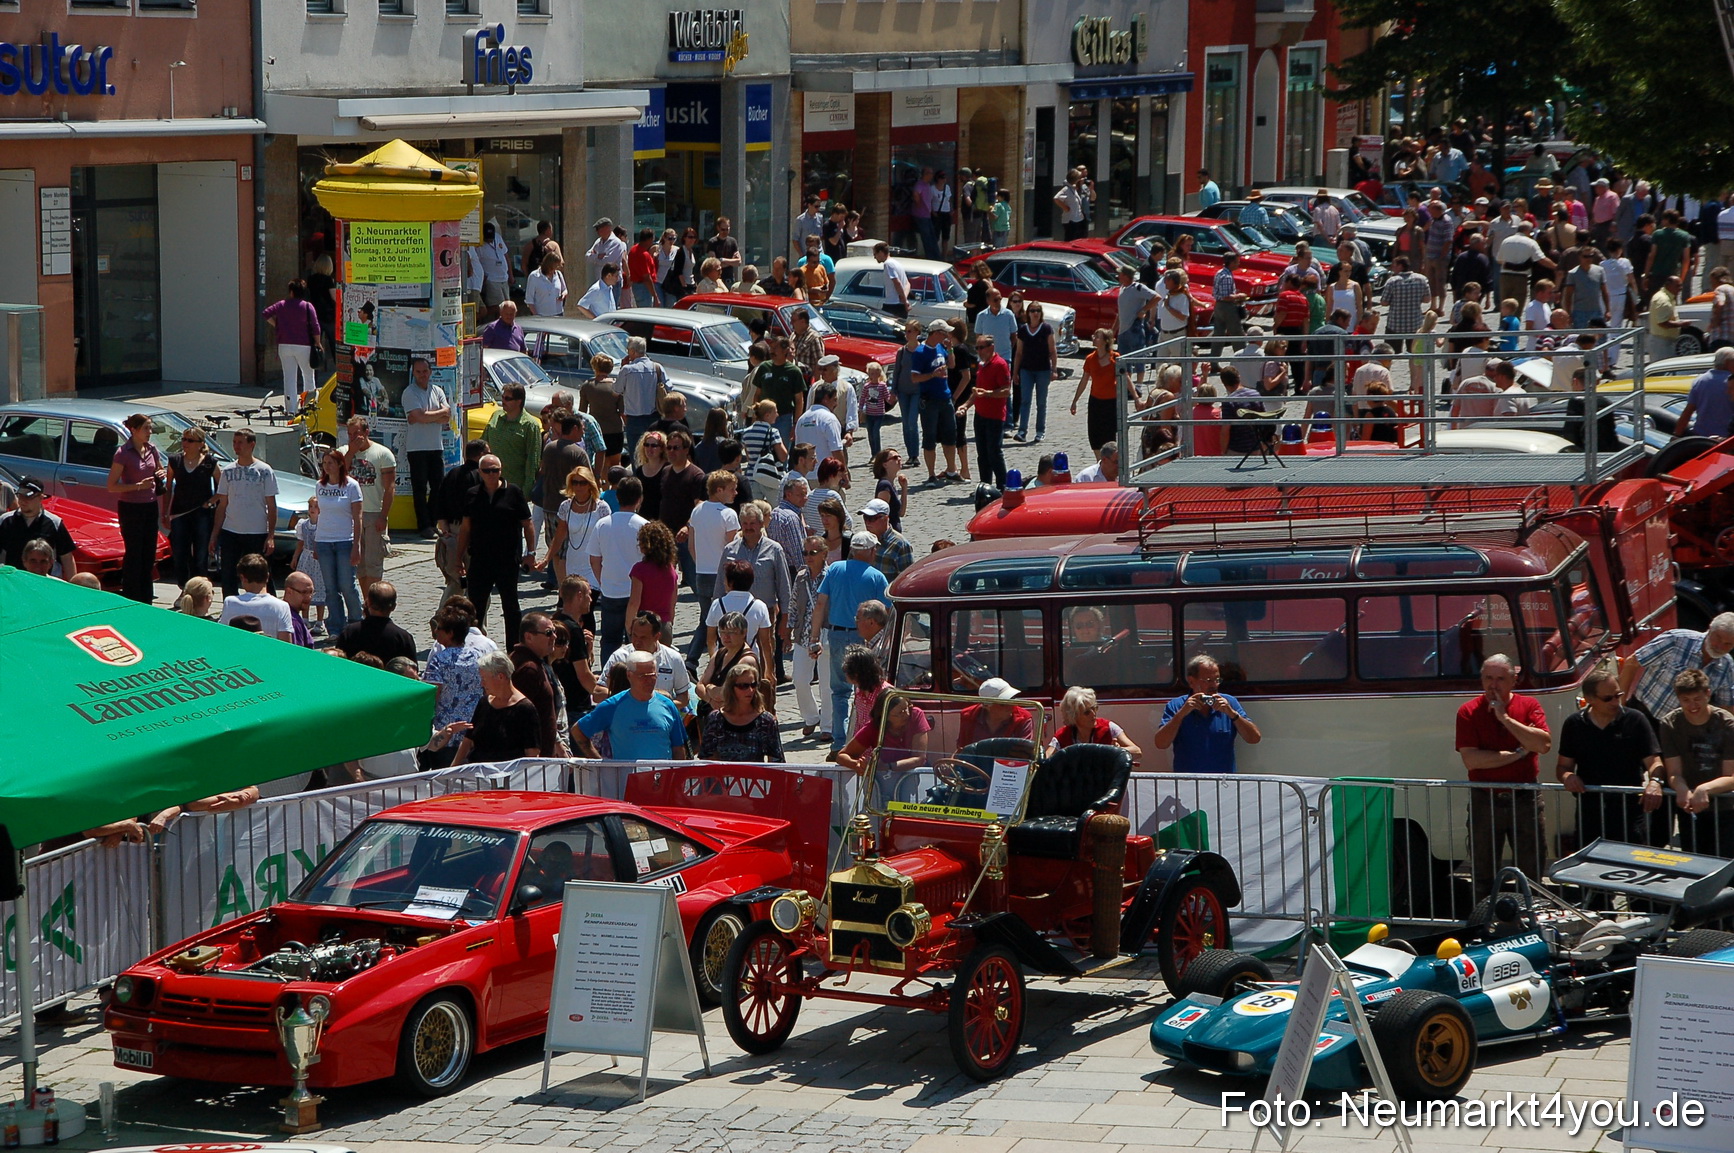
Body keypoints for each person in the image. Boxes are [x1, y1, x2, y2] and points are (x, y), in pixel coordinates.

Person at [1456, 654, 1553, 898]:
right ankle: (1484, 924)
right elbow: (1472, 760)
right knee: (1483, 873)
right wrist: (1519, 753)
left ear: (1513, 681)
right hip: (1484, 800)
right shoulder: (1468, 711)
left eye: (1500, 679)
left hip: (1525, 799)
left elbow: (1542, 745)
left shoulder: (1529, 706)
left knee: (1531, 873)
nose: (1493, 685)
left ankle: (1531, 925)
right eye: (1488, 678)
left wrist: (1505, 719)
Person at [1555, 666, 1665, 848]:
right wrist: (1568, 777)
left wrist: (1655, 782)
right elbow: (1563, 767)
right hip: (1589, 811)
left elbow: (1654, 761)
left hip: (1629, 810)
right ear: (1589, 699)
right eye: (1608, 698)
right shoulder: (1574, 724)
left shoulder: (1636, 720)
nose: (1615, 702)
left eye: (1618, 695)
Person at [809, 530, 892, 752]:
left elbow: (820, 604)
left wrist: (814, 637)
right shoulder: (876, 576)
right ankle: (860, 739)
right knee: (865, 690)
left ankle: (838, 743)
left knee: (839, 692)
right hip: (863, 637)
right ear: (870, 551)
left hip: (836, 635)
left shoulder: (835, 569)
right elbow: (887, 612)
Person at [456, 453, 536, 647]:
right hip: (480, 559)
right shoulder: (472, 494)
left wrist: (530, 553)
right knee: (475, 607)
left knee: (511, 606)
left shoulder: (513, 492)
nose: (492, 474)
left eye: (495, 470)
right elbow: (466, 527)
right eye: (487, 471)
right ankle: (472, 646)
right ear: (480, 472)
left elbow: (527, 524)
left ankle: (514, 648)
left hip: (507, 559)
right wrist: (458, 557)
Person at [1658, 668, 1734, 856]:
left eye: (1697, 699)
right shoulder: (1670, 724)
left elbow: (1731, 776)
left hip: (1725, 808)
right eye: (1686, 701)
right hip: (1689, 808)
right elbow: (1674, 771)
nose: (1692, 706)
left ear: (1708, 694)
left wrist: (1703, 789)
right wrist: (1682, 788)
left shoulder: (1727, 724)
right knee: (1693, 862)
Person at [573, 650, 690, 760]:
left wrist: (677, 777)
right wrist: (600, 764)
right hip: (625, 779)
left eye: (652, 675)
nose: (649, 681)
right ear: (629, 675)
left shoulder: (667, 705)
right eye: (643, 676)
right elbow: (578, 731)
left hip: (661, 778)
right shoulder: (613, 706)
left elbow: (678, 747)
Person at [1155, 655, 1262, 773]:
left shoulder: (1229, 703)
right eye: (1208, 680)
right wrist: (1181, 714)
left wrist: (1232, 714)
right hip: (1188, 784)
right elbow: (1161, 743)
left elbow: (1254, 738)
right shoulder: (1177, 705)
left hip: (1223, 783)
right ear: (1191, 681)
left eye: (1217, 680)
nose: (1214, 685)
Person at [1617, 615, 1734, 719]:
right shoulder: (1676, 640)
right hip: (1644, 714)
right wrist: (1620, 709)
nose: (1720, 646)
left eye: (1727, 644)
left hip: (1680, 730)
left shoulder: (1726, 665)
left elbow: (1726, 707)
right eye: (1717, 638)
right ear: (1709, 629)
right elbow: (1632, 663)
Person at [106, 413, 166, 603]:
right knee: (134, 553)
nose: (149, 432)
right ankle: (132, 596)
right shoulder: (123, 453)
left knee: (149, 553)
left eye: (150, 428)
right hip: (131, 507)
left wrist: (160, 473)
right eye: (146, 428)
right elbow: (112, 485)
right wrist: (138, 485)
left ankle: (146, 597)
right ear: (134, 430)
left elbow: (158, 468)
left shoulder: (152, 449)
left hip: (150, 506)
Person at [588, 474, 649, 651]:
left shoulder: (602, 524)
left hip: (610, 590)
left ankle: (609, 675)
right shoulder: (644, 526)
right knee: (635, 640)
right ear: (640, 499)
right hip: (637, 592)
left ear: (617, 496)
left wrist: (602, 580)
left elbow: (594, 559)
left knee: (609, 640)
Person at [837, 689, 930, 803]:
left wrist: (887, 766)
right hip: (883, 782)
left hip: (911, 776)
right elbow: (842, 755)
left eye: (906, 708)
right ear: (884, 716)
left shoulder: (916, 715)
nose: (906, 714)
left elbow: (919, 758)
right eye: (899, 713)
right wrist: (859, 765)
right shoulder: (873, 728)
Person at [422, 605, 486, 769]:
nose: (436, 632)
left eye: (440, 628)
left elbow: (430, 697)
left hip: (446, 736)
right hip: (474, 734)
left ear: (450, 633)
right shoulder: (480, 657)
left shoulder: (439, 660)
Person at [308, 448, 365, 635]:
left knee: (347, 585)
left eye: (330, 463)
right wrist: (316, 542)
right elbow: (320, 515)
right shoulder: (320, 486)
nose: (327, 467)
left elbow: (358, 518)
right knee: (330, 588)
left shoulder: (351, 486)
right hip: (324, 541)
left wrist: (356, 545)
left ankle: (357, 623)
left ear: (340, 464)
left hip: (344, 541)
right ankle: (335, 627)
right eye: (324, 463)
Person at [339, 416, 397, 592]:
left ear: (366, 433)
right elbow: (337, 476)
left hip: (373, 513)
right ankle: (367, 603)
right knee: (359, 565)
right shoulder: (343, 452)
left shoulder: (383, 454)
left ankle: (373, 602)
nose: (353, 438)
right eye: (350, 434)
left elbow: (390, 488)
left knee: (373, 563)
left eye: (357, 433)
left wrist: (383, 516)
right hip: (349, 514)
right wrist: (351, 452)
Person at [453, 652, 542, 765]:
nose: (482, 683)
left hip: (508, 778)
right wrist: (452, 770)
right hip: (477, 775)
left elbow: (532, 753)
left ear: (500, 677)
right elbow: (468, 741)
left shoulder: (525, 709)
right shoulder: (484, 702)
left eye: (484, 679)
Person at [398, 356, 449, 541]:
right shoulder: (409, 393)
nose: (422, 375)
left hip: (436, 446)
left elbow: (447, 414)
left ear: (430, 372)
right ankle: (423, 525)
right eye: (418, 372)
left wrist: (425, 416)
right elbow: (417, 416)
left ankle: (433, 522)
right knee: (419, 489)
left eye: (425, 371)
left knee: (438, 486)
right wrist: (435, 415)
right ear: (413, 373)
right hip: (417, 448)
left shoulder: (437, 390)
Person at [601, 611, 693, 707]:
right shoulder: (619, 657)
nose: (637, 642)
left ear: (657, 636)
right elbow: (598, 692)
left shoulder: (673, 658)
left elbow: (684, 697)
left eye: (643, 638)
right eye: (634, 636)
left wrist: (663, 705)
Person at [788, 533, 830, 738]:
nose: (808, 557)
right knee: (800, 679)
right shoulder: (801, 576)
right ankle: (812, 717)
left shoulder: (831, 576)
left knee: (826, 681)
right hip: (803, 635)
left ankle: (828, 726)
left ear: (824, 554)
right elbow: (794, 604)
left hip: (826, 634)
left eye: (813, 552)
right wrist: (788, 629)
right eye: (805, 553)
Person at [701, 661, 784, 761]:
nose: (750, 690)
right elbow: (707, 757)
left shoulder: (765, 721)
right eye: (743, 686)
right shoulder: (715, 719)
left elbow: (776, 760)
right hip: (723, 775)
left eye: (753, 685)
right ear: (731, 688)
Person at [262, 281, 321, 416]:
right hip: (304, 345)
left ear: (291, 291)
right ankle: (308, 408)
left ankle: (290, 410)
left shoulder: (282, 304)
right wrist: (318, 343)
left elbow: (266, 313)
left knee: (289, 377)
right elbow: (315, 326)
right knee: (308, 376)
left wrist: (277, 324)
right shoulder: (307, 306)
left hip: (284, 345)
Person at [542, 463, 605, 588]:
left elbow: (608, 538)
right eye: (575, 482)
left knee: (590, 601)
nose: (578, 486)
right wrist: (546, 559)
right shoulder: (565, 506)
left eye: (583, 483)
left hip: (595, 563)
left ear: (590, 484)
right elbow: (559, 536)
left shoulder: (601, 508)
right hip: (573, 561)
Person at [509, 611, 562, 757]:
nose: (554, 637)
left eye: (554, 632)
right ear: (529, 637)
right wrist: (532, 754)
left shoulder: (533, 662)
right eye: (548, 633)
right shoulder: (529, 670)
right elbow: (520, 717)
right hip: (534, 760)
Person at [0, 476, 76, 578]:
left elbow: (67, 557)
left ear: (41, 498)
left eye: (28, 497)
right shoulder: (5, 520)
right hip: (15, 581)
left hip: (44, 583)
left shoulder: (54, 523)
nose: (23, 501)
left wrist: (73, 586)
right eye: (20, 496)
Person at [482, 381, 543, 503]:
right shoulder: (496, 416)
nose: (503, 401)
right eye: (503, 397)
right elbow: (483, 445)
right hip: (490, 484)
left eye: (508, 398)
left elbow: (532, 461)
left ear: (519, 401)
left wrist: (526, 492)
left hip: (514, 487)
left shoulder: (530, 425)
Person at [334, 579, 417, 664]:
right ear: (393, 607)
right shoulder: (403, 638)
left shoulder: (349, 632)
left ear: (368, 603)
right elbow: (411, 672)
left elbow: (339, 664)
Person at [218, 553, 293, 641]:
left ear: (243, 578)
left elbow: (222, 635)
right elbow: (286, 644)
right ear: (267, 576)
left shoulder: (230, 602)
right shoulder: (282, 606)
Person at [1050, 686, 1142, 757]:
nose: (1093, 714)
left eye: (1094, 708)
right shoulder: (1062, 735)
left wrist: (1117, 750)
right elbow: (1045, 759)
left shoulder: (1109, 727)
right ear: (1074, 716)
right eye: (1087, 712)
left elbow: (1137, 751)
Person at [627, 519, 681, 637]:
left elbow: (634, 603)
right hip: (664, 626)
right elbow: (672, 602)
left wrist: (629, 626)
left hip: (644, 626)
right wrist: (670, 622)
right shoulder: (671, 570)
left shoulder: (639, 570)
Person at [1011, 303, 1056, 444]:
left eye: (1037, 311)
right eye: (1032, 311)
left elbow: (1052, 350)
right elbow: (1018, 353)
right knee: (1025, 401)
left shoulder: (1046, 329)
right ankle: (1022, 431)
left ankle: (1040, 432)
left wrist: (1054, 369)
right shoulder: (1023, 330)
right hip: (1026, 370)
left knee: (1041, 402)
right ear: (1028, 313)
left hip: (1043, 370)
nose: (1035, 313)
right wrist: (1015, 372)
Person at [955, 677, 1034, 747]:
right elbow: (962, 750)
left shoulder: (1024, 718)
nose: (1012, 705)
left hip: (1009, 764)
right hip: (975, 763)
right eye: (1004, 702)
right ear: (986, 705)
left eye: (1012, 698)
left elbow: (1023, 754)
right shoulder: (968, 715)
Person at [1677, 348, 1734, 440]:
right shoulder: (1731, 382)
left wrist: (1677, 434)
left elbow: (1688, 411)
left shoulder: (1700, 381)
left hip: (1701, 438)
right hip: (1725, 440)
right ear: (1727, 362)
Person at [859, 498, 912, 579]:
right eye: (865, 518)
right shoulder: (861, 540)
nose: (867, 522)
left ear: (885, 518)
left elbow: (907, 579)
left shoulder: (900, 544)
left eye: (872, 518)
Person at [524, 248, 568, 317]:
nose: (555, 270)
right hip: (541, 315)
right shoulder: (534, 276)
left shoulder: (558, 274)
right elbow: (529, 300)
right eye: (553, 267)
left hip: (558, 313)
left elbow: (565, 290)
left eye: (557, 267)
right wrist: (536, 316)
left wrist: (563, 294)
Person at [281, 569, 318, 648]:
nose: (309, 597)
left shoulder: (283, 612)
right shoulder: (292, 620)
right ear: (289, 591)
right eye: (304, 592)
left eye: (311, 592)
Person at [708, 216, 742, 286]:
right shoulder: (712, 242)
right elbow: (714, 264)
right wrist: (731, 261)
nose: (725, 232)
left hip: (729, 278)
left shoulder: (732, 241)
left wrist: (722, 260)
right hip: (717, 279)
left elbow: (738, 262)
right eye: (723, 229)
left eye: (727, 229)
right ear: (718, 228)